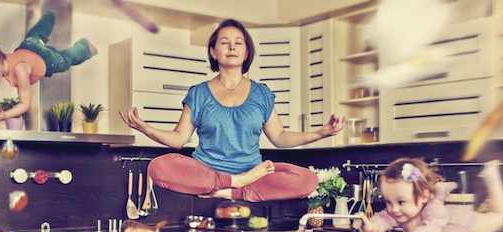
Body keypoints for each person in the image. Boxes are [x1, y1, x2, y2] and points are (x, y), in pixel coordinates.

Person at [118, 19, 346, 202]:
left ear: (246, 52)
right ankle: (232, 182)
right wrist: (145, 128)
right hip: (206, 172)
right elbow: (178, 140)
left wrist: (320, 133)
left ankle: (233, 189)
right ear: (213, 52)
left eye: (238, 42)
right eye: (224, 42)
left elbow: (280, 137)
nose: (232, 46)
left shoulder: (262, 93)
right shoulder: (198, 93)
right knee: (159, 166)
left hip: (253, 174)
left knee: (307, 180)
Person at [352, 157, 503, 232]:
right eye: (388, 201)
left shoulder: (435, 211)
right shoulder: (399, 211)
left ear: (423, 196)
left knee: (498, 217)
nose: (394, 209)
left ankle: (491, 176)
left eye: (401, 201)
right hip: (439, 228)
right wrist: (369, 225)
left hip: (463, 222)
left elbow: (428, 231)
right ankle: (440, 191)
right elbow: (383, 219)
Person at [0, 11, 97, 126]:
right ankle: (50, 15)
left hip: (45, 59)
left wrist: (4, 115)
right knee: (37, 33)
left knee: (66, 60)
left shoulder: (20, 70)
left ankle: (85, 47)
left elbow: (25, 103)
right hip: (28, 45)